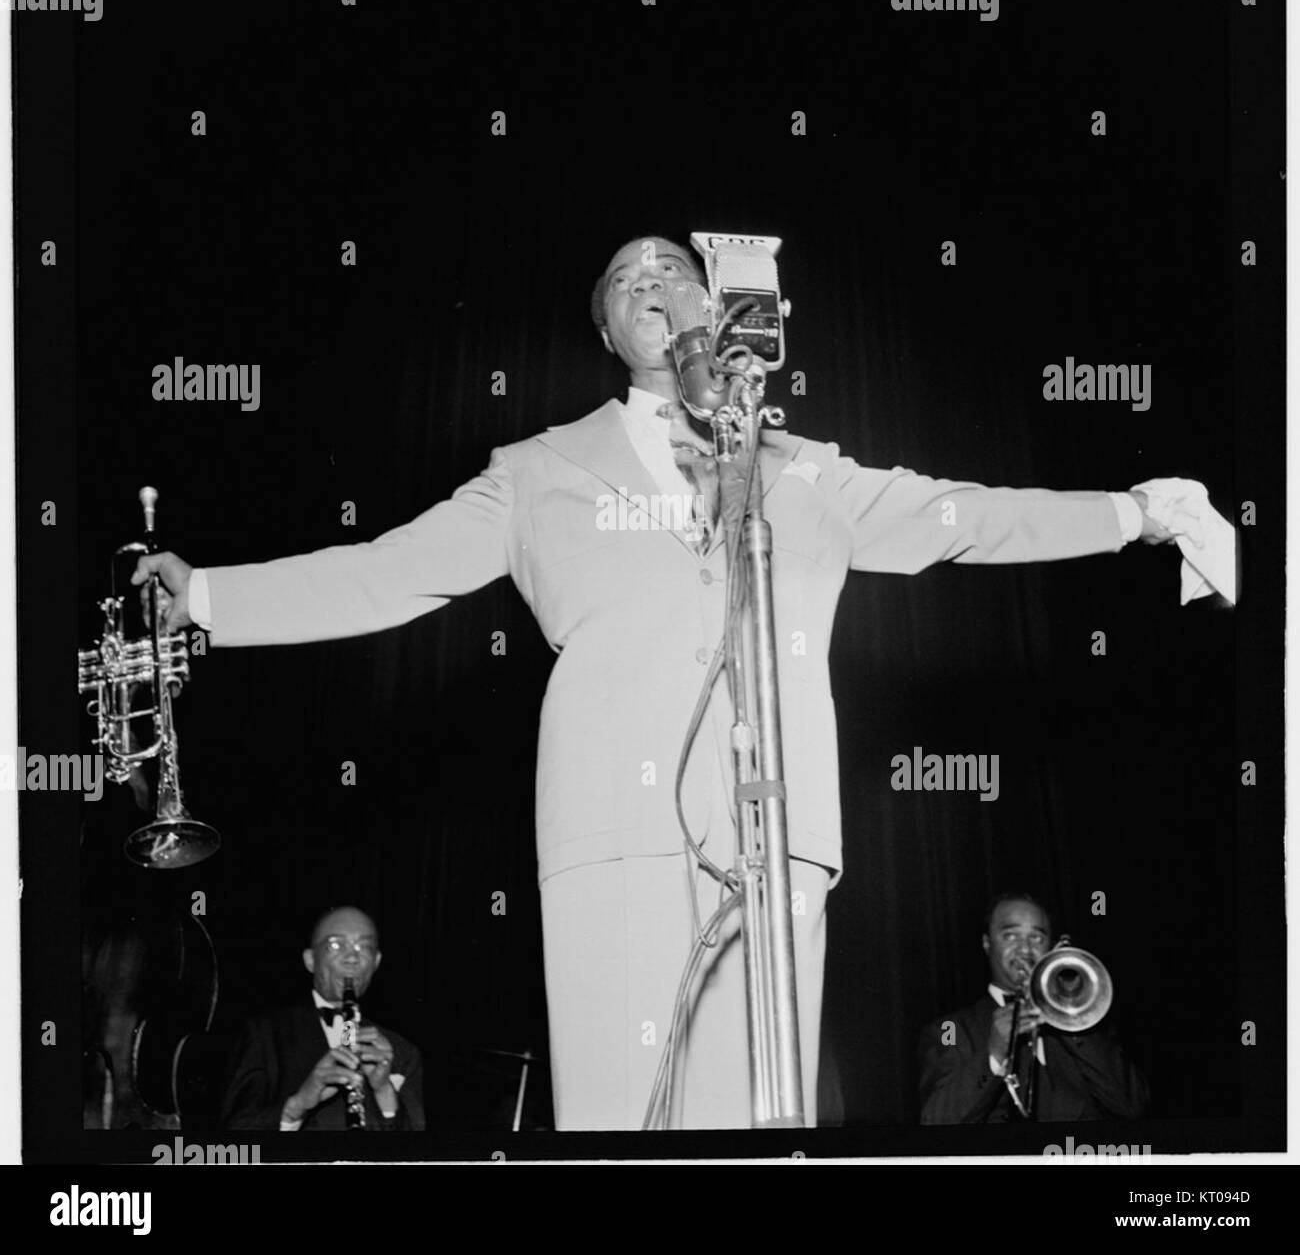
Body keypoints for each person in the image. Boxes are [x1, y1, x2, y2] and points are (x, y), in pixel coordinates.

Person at [136, 234, 1203, 1130]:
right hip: (610, 829)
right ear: (605, 331)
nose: (652, 282)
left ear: (717, 305)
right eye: (625, 281)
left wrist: (1136, 511)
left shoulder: (802, 467)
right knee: (617, 1118)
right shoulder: (538, 471)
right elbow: (383, 572)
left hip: (775, 835)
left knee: (759, 1119)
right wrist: (212, 596)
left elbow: (960, 518)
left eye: (672, 270)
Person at [917, 892, 1149, 1124]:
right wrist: (995, 1055)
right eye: (1011, 936)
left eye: (1036, 938)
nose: (1025, 949)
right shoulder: (950, 1029)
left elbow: (1133, 1106)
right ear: (987, 943)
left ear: (1050, 947)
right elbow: (935, 1120)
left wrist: (1071, 1019)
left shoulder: (1087, 1024)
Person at [221, 905, 424, 1130]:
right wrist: (296, 1107)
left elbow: (418, 1155)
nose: (352, 958)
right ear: (310, 960)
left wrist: (384, 1090)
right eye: (335, 945)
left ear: (375, 962)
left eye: (364, 947)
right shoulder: (263, 1035)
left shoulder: (403, 1053)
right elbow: (234, 1138)